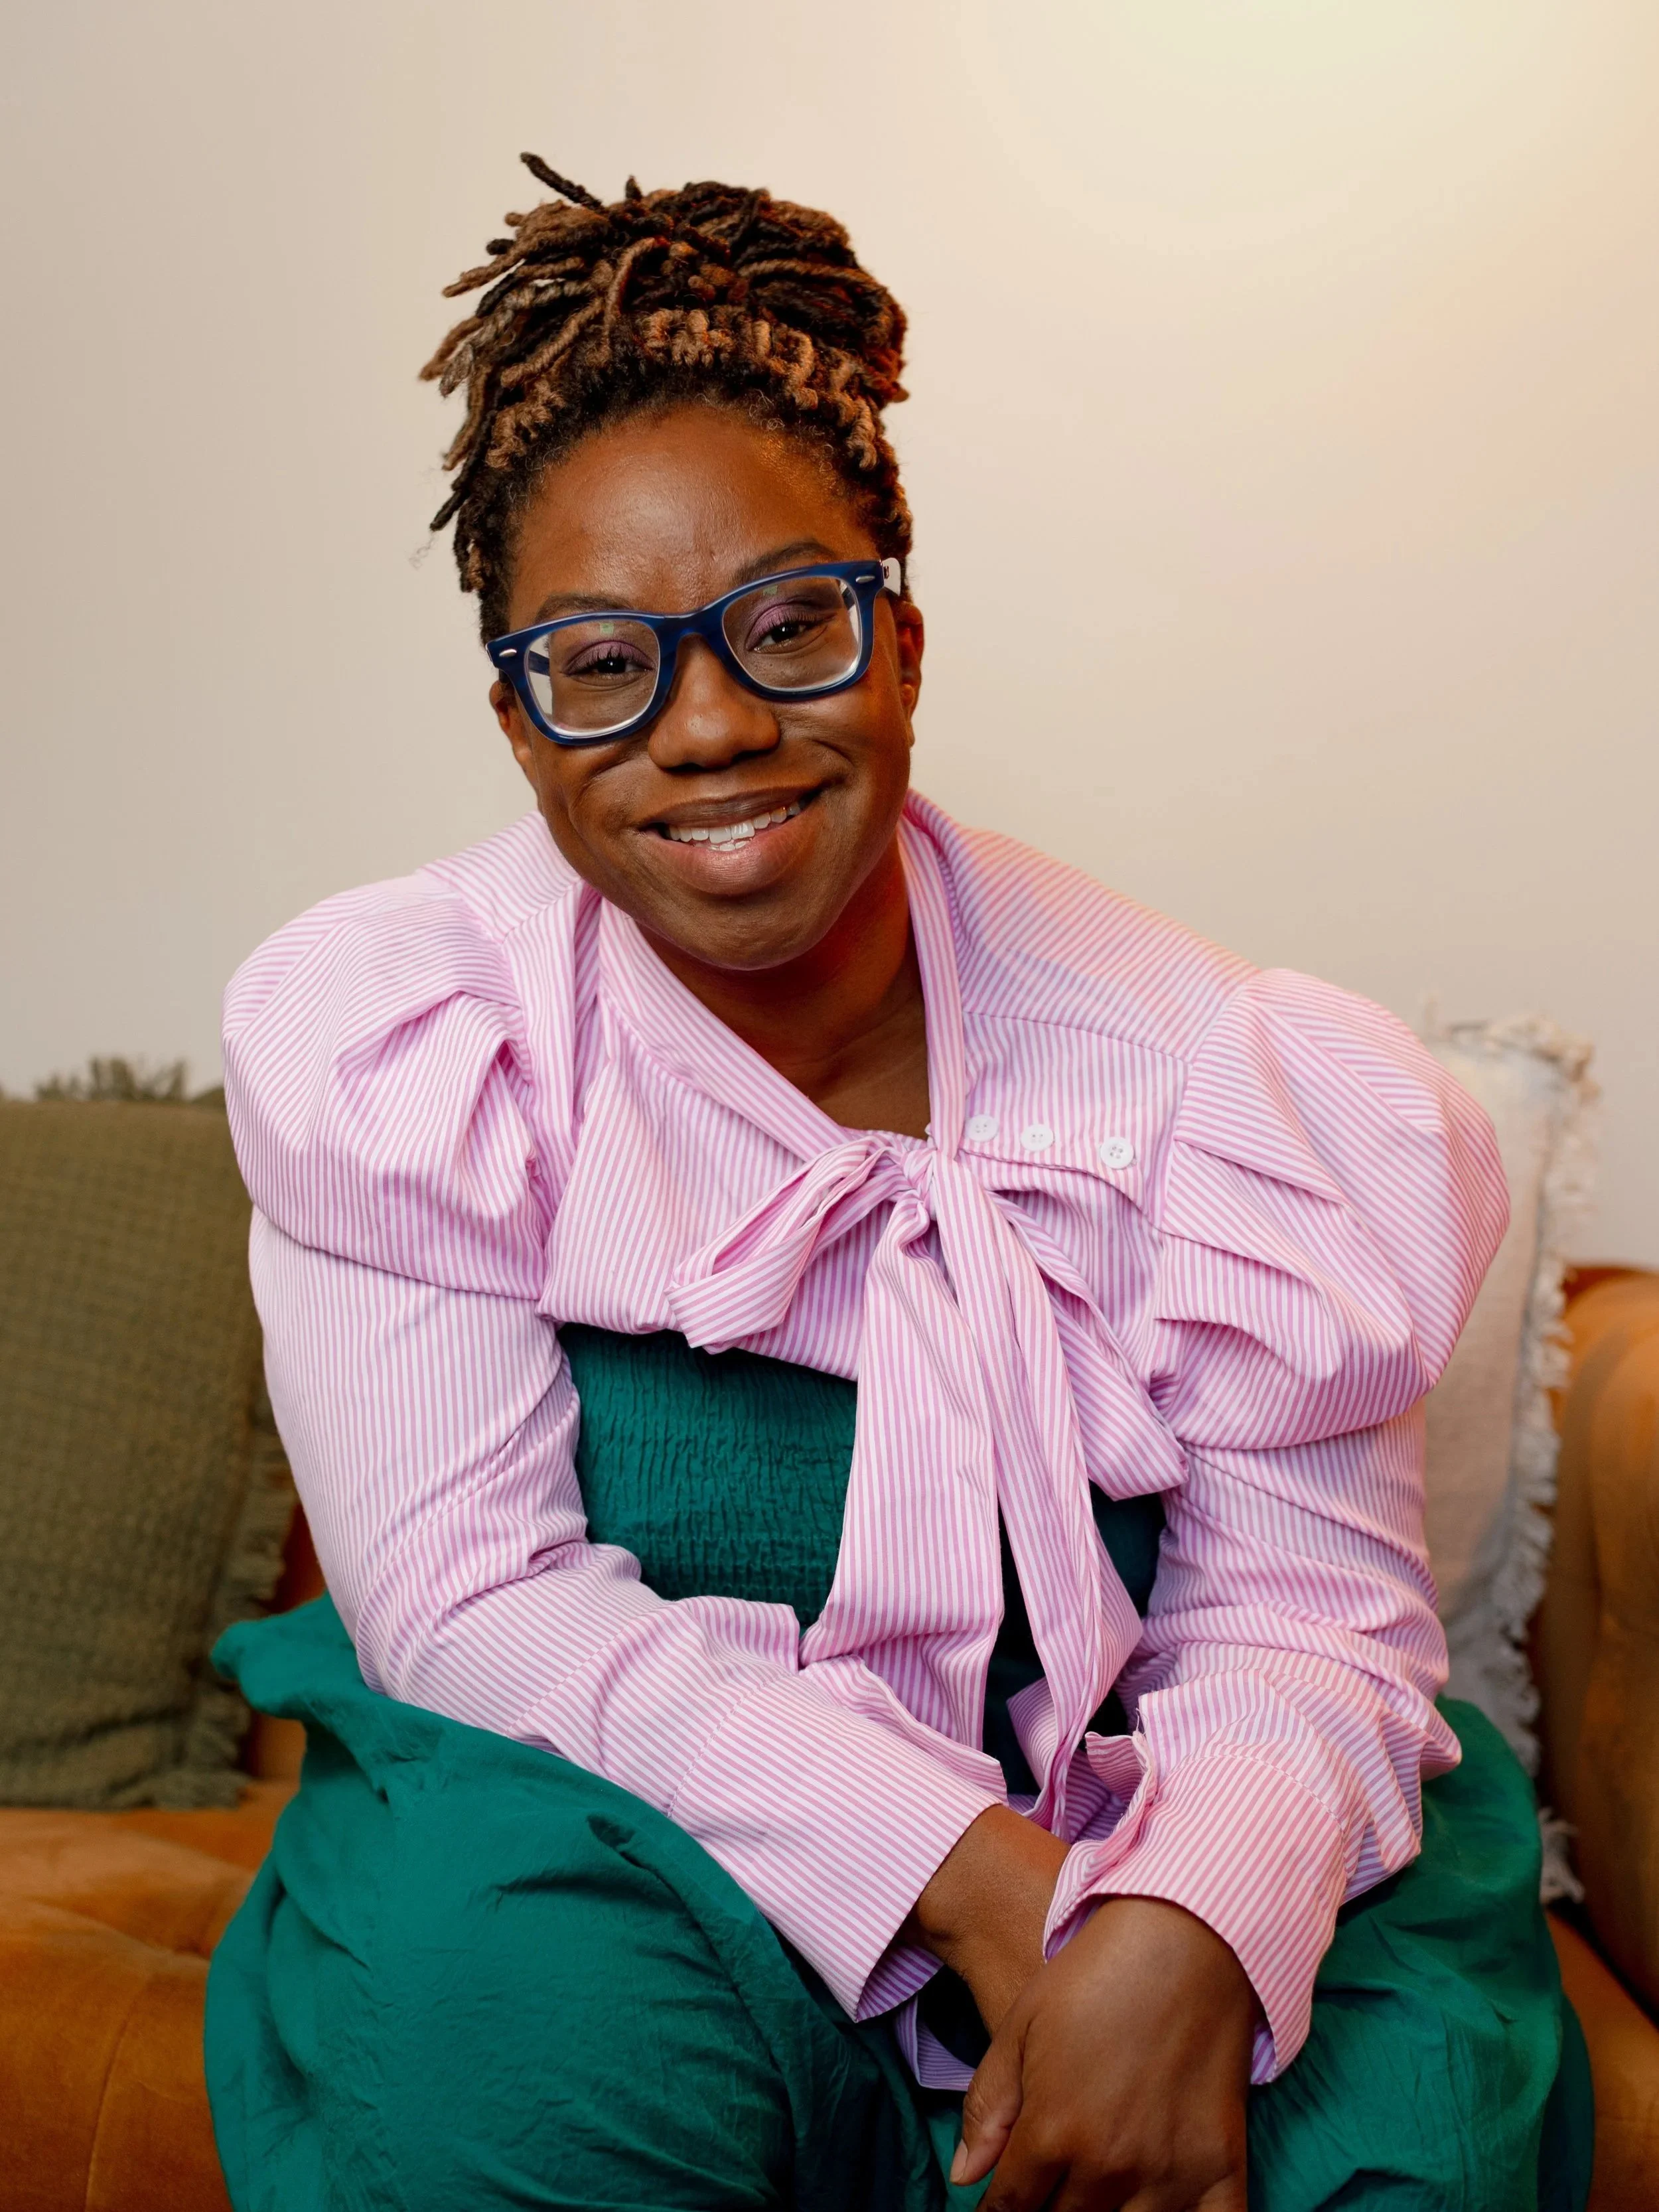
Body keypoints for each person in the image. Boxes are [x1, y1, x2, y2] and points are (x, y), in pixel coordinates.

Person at [207, 161, 1591, 2212]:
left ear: (904, 640)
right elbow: (468, 1597)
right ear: (516, 718)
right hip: (632, 1813)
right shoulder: (417, 1039)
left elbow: (1299, 1615)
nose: (706, 727)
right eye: (599, 661)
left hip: (1151, 1800)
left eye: (789, 625)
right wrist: (971, 1879)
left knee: (1391, 2127)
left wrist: (1172, 1929)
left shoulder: (1220, 1070)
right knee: (495, 2032)